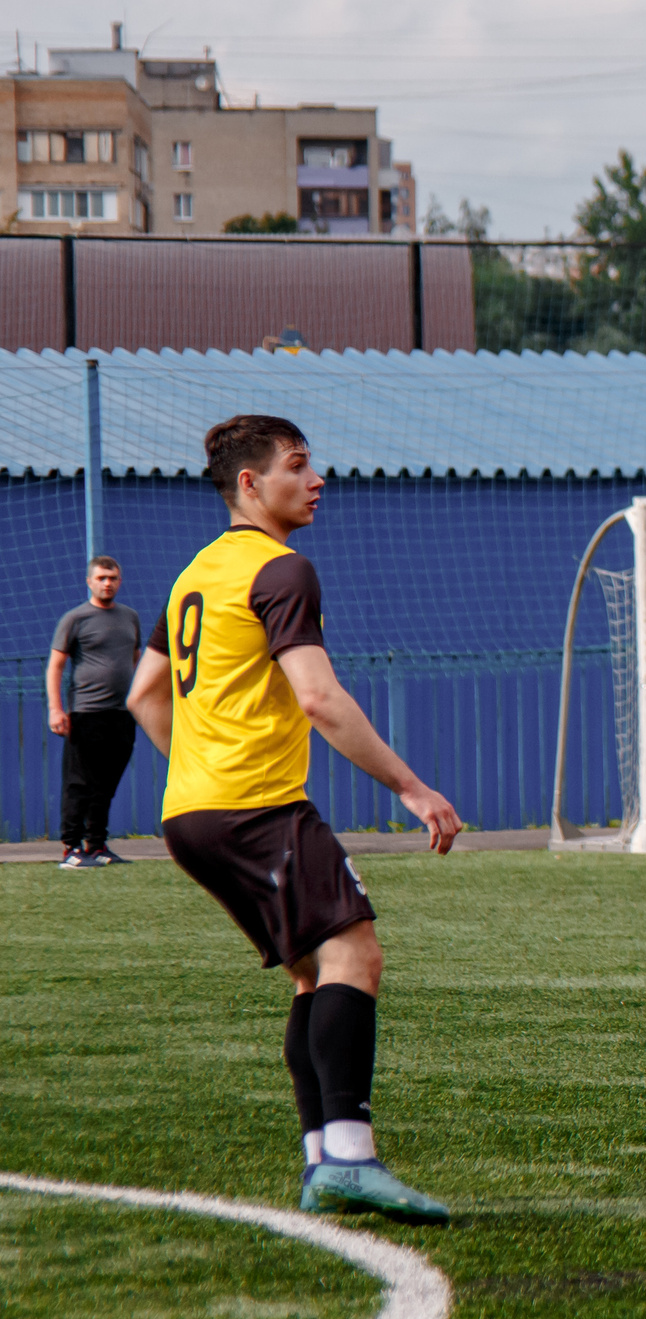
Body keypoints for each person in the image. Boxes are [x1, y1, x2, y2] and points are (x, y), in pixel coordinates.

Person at [126, 415, 459, 1222]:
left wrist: (199, 772)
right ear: (250, 483)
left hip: (191, 816)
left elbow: (143, 694)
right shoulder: (282, 570)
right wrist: (412, 787)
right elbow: (318, 696)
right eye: (298, 466)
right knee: (357, 953)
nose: (316, 480)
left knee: (315, 970)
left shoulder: (193, 574)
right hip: (256, 807)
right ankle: (349, 1156)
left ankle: (322, 1161)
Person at [49, 555, 143, 868]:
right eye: (101, 578)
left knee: (106, 783)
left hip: (120, 715)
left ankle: (97, 845)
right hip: (85, 714)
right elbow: (56, 666)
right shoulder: (75, 618)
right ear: (89, 581)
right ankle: (71, 848)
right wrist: (56, 709)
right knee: (79, 782)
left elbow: (134, 657)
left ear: (119, 580)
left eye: (112, 578)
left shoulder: (129, 617)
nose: (107, 583)